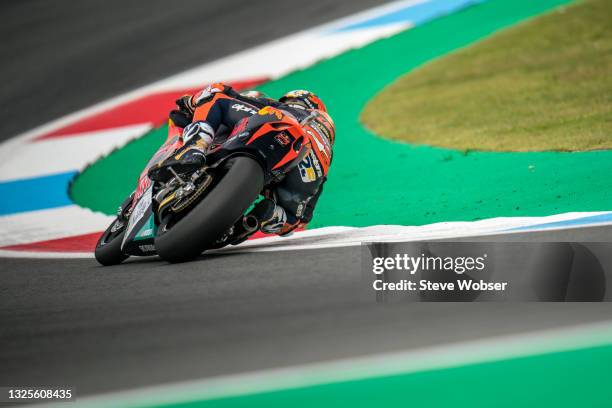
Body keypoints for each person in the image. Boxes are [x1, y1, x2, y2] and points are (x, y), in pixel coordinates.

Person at [161, 83, 335, 236]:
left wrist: (190, 102)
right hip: (307, 170)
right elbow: (301, 220)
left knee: (216, 93)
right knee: (291, 217)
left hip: (280, 131)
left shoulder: (280, 107)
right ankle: (262, 219)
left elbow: (241, 99)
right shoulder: (325, 150)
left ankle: (195, 146)